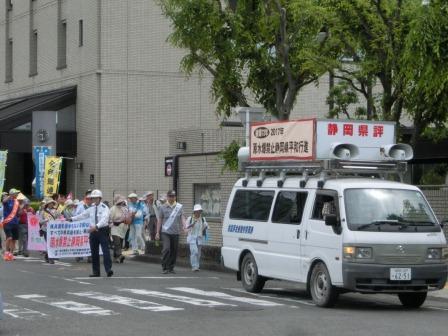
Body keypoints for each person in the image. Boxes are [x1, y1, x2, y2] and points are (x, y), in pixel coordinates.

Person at [69, 189, 113, 277]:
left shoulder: (105, 208)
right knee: (94, 252)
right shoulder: (92, 208)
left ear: (100, 198)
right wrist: (72, 219)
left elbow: (104, 219)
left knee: (105, 251)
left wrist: (96, 226)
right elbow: (83, 215)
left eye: (96, 198)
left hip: (102, 230)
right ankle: (96, 272)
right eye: (93, 198)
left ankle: (108, 269)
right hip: (93, 232)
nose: (94, 200)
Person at [155, 190, 186, 274]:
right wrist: (157, 232)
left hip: (176, 232)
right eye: (170, 196)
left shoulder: (179, 207)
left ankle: (171, 267)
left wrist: (184, 226)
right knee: (166, 249)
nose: (172, 198)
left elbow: (182, 217)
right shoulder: (163, 207)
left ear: (175, 197)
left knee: (174, 251)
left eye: (173, 196)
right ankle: (164, 267)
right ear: (167, 197)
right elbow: (160, 220)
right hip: (166, 232)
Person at [186, 204, 208, 271]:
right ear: (194, 212)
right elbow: (186, 227)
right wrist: (191, 225)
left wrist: (206, 226)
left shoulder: (203, 219)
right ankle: (194, 266)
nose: (198, 212)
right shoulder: (190, 219)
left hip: (199, 237)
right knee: (194, 252)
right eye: (197, 211)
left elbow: (205, 228)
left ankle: (197, 266)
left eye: (199, 211)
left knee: (198, 253)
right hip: (192, 237)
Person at [1, 188, 21, 261]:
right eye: (16, 193)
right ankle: (6, 253)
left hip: (15, 223)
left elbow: (18, 214)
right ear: (12, 193)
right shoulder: (7, 200)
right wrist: (10, 195)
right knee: (9, 238)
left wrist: (22, 209)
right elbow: (3, 201)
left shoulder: (16, 202)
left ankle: (11, 254)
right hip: (7, 223)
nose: (17, 194)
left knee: (14, 239)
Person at [39, 198, 60, 264]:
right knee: (48, 243)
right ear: (47, 204)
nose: (51, 204)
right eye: (50, 203)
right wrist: (46, 220)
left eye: (52, 203)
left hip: (53, 230)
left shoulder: (55, 211)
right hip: (45, 229)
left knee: (52, 243)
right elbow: (40, 222)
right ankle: (50, 258)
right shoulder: (43, 212)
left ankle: (47, 256)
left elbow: (59, 217)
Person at [109, 195, 129, 263]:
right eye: (119, 202)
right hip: (114, 227)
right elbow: (109, 220)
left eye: (121, 202)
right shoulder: (112, 209)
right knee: (117, 242)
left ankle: (115, 257)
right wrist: (115, 222)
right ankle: (120, 255)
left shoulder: (124, 209)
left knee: (119, 243)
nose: (120, 204)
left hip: (122, 228)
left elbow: (127, 218)